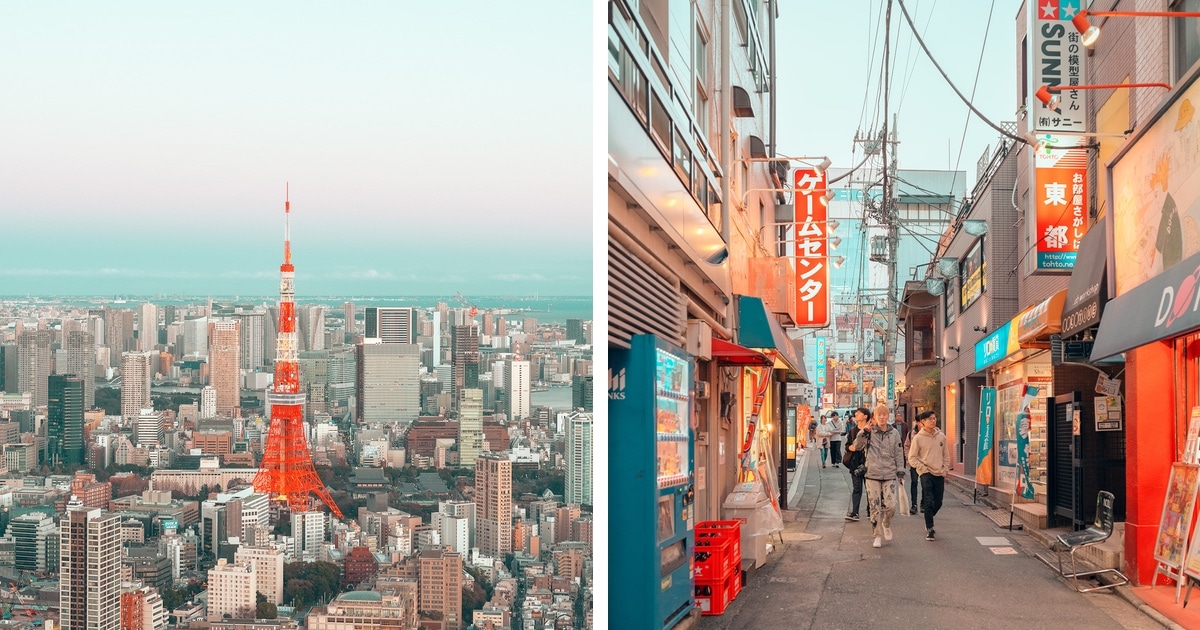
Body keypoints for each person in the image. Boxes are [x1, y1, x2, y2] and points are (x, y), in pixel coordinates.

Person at [852, 402, 905, 548]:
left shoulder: (894, 433)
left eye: (884, 414)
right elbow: (857, 446)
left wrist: (901, 471)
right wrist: (863, 432)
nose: (882, 417)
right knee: (874, 507)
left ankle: (886, 524)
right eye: (879, 415)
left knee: (891, 505)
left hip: (889, 474)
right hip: (872, 474)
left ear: (889, 416)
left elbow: (899, 453)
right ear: (874, 417)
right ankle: (876, 535)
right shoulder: (868, 431)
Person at [908, 410, 951, 541]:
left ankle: (929, 516)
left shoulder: (941, 437)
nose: (933, 421)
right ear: (923, 422)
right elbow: (912, 457)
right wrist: (922, 468)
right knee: (928, 498)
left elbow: (946, 455)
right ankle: (930, 528)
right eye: (929, 419)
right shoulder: (918, 438)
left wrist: (945, 469)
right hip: (926, 473)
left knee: (938, 501)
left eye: (934, 418)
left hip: (939, 472)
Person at [844, 407, 872, 521]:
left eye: (859, 413)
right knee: (857, 487)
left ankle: (871, 510)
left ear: (865, 416)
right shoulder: (852, 431)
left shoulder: (871, 430)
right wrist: (851, 447)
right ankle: (855, 512)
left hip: (869, 462)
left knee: (870, 488)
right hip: (855, 462)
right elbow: (848, 445)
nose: (856, 414)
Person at [903, 416, 921, 515]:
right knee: (914, 483)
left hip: (925, 463)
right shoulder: (911, 434)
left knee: (925, 484)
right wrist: (909, 459)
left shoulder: (930, 434)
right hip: (914, 462)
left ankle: (923, 503)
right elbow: (906, 446)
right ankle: (914, 504)